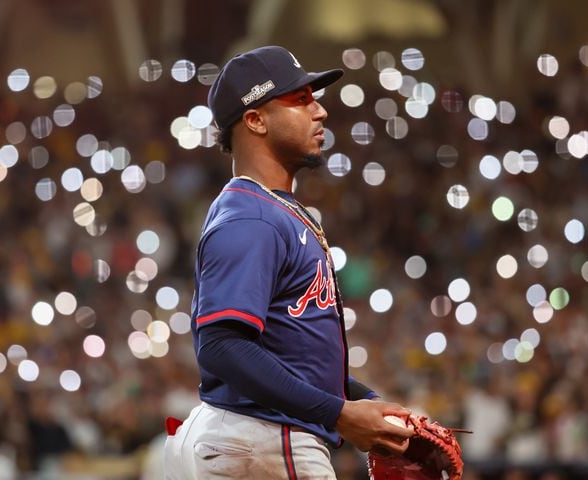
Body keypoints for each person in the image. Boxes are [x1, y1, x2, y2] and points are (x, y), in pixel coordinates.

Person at [164, 45, 414, 480]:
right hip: (263, 438)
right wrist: (338, 413)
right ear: (255, 120)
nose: (320, 112)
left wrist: (361, 401)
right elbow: (222, 345)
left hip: (252, 436)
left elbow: (291, 354)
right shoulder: (251, 217)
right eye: (300, 100)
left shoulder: (270, 209)